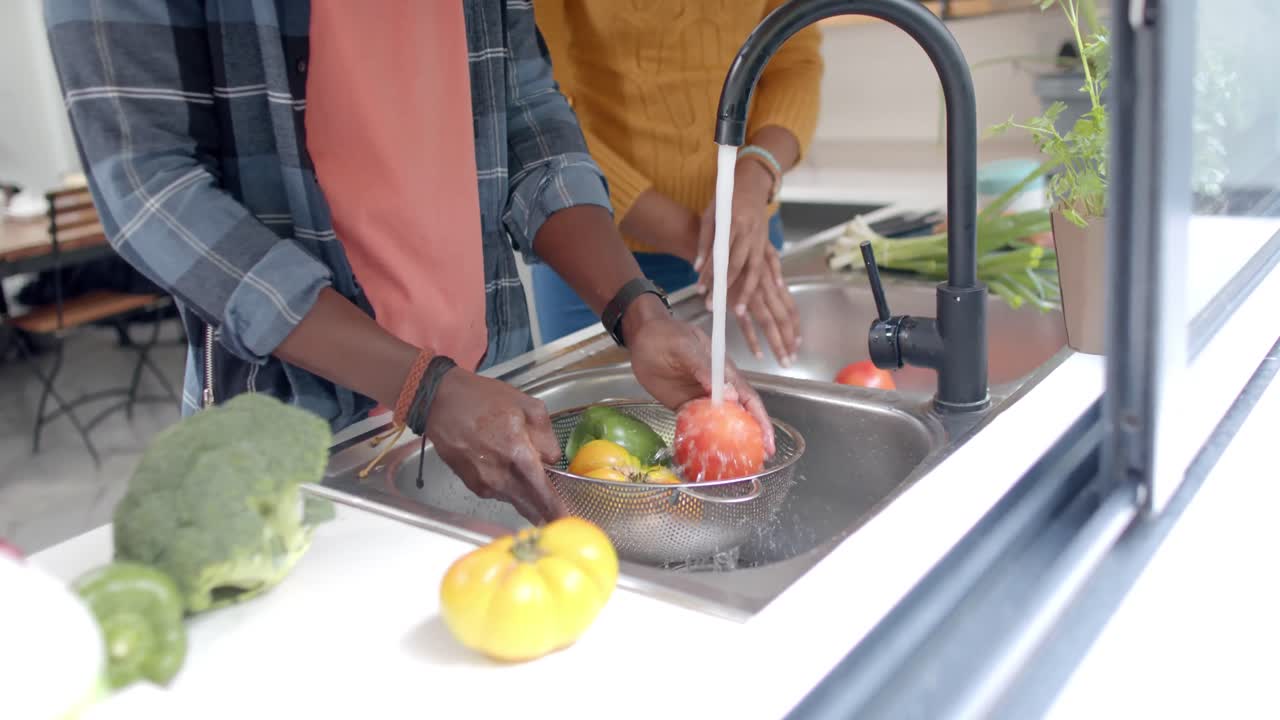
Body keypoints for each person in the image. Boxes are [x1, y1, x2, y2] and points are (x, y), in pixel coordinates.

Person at [44, 0, 773, 524]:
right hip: (293, 432)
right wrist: (421, 386)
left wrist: (638, 312)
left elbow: (527, 112)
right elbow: (149, 187)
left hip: (494, 392)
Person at [531, 1, 824, 365]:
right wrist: (710, 246)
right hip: (598, 256)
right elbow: (541, 111)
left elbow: (795, 64)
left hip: (744, 238)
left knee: (748, 411)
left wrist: (754, 174)